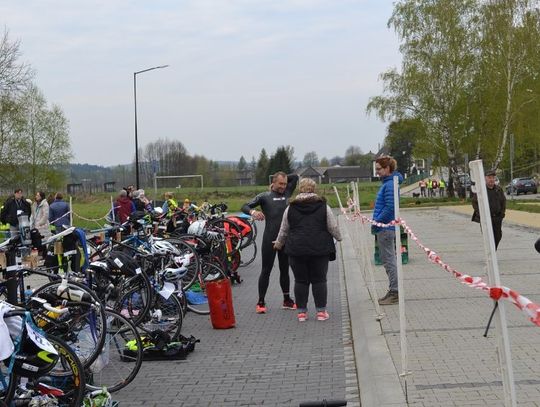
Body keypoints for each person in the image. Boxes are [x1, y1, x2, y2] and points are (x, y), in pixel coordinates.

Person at [273, 178, 342, 322]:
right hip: (320, 249)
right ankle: (321, 312)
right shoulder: (323, 206)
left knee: (300, 280)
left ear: (300, 190)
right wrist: (339, 237)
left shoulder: (290, 207)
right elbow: (332, 226)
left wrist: (279, 243)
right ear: (314, 189)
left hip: (296, 249)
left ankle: (302, 313)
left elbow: (284, 229)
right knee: (319, 280)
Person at [242, 171, 299, 313]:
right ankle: (261, 301)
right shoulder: (264, 196)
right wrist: (254, 213)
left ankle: (287, 300)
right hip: (269, 238)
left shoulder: (287, 192)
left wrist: (283, 176)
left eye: (285, 184)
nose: (283, 186)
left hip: (285, 239)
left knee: (284, 270)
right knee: (266, 270)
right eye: (280, 183)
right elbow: (245, 206)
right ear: (273, 182)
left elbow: (296, 177)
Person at [372, 156, 403, 305]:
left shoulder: (390, 185)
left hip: (385, 227)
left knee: (389, 260)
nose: (377, 172)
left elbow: (390, 207)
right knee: (388, 259)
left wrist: (377, 221)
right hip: (385, 226)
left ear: (387, 168)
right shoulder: (388, 183)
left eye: (379, 169)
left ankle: (395, 292)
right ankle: (393, 290)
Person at [471, 169, 506, 250]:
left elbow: (503, 201)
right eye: (489, 177)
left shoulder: (498, 189)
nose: (491, 179)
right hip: (486, 218)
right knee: (488, 237)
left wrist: (502, 213)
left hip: (497, 218)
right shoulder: (481, 190)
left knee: (498, 236)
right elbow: (474, 202)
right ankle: (491, 255)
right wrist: (481, 213)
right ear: (485, 179)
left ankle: (493, 252)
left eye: (493, 177)